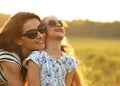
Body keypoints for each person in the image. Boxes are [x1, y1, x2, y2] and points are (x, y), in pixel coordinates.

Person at [23, 15, 82, 86]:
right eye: (52, 23)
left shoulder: (69, 62)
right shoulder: (36, 58)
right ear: (43, 30)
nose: (58, 24)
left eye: (60, 23)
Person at [0, 12, 46, 86]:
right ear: (18, 40)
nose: (40, 36)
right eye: (32, 34)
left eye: (41, 29)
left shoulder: (36, 56)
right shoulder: (9, 59)